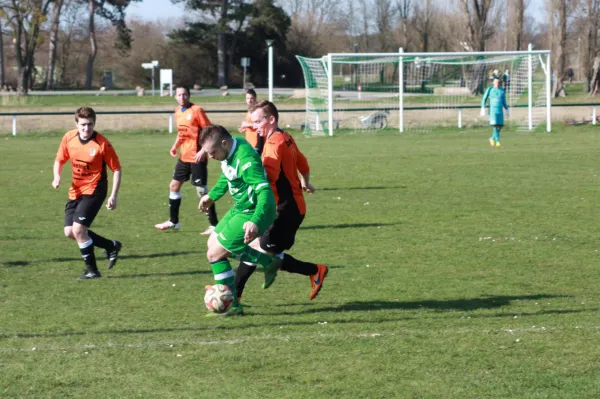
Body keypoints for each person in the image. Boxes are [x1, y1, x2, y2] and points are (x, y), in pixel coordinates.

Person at [234, 100, 328, 302]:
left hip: (285, 211)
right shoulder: (285, 137)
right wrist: (306, 182)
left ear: (271, 119)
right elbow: (302, 161)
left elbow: (267, 180)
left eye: (258, 122)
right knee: (259, 250)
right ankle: (235, 295)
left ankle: (315, 270)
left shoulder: (273, 145)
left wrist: (244, 181)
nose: (255, 126)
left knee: (259, 251)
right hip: (289, 207)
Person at [198, 125, 279, 317]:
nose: (210, 157)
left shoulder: (246, 160)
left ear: (224, 143)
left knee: (215, 254)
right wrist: (212, 196)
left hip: (254, 211)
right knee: (212, 244)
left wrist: (256, 221)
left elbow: (265, 192)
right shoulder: (231, 147)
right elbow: (227, 176)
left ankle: (232, 304)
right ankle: (268, 261)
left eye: (213, 152)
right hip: (241, 208)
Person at [52, 107, 122, 279]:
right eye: (83, 124)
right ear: (76, 124)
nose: (86, 128)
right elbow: (59, 160)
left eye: (90, 124)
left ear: (94, 123)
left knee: (79, 229)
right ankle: (111, 246)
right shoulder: (69, 138)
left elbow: (117, 169)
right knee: (70, 232)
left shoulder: (102, 143)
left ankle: (93, 270)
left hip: (95, 189)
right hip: (76, 190)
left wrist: (113, 195)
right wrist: (56, 177)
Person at [155, 86, 218, 234]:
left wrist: (203, 150)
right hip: (184, 157)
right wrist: (174, 146)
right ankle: (173, 221)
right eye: (179, 95)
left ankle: (215, 225)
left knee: (202, 191)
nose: (182, 97)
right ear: (175, 97)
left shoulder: (196, 110)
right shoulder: (177, 111)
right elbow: (181, 133)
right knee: (174, 186)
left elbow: (210, 131)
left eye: (185, 94)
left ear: (189, 95)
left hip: (197, 157)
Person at [481, 76, 509, 147]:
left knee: (500, 125)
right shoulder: (490, 89)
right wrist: (482, 108)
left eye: (498, 82)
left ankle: (492, 138)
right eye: (496, 82)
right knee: (495, 125)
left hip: (500, 111)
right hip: (493, 111)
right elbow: (484, 98)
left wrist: (507, 109)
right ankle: (497, 141)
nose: (497, 83)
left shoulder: (501, 90)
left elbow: (503, 101)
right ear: (493, 82)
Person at [238, 89, 264, 153]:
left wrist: (247, 125)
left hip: (257, 141)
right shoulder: (250, 109)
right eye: (247, 98)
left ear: (255, 98)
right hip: (249, 139)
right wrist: (245, 128)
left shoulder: (257, 110)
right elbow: (252, 123)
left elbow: (261, 124)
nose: (249, 100)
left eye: (251, 98)